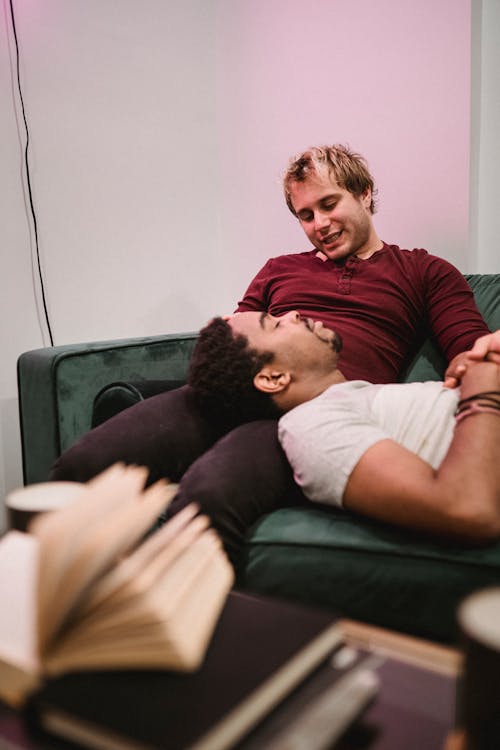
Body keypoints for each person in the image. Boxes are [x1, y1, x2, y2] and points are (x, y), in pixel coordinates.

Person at [187, 312, 500, 545]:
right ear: (273, 378)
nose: (293, 313)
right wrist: (483, 385)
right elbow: (468, 509)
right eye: (276, 324)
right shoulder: (311, 425)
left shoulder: (359, 397)